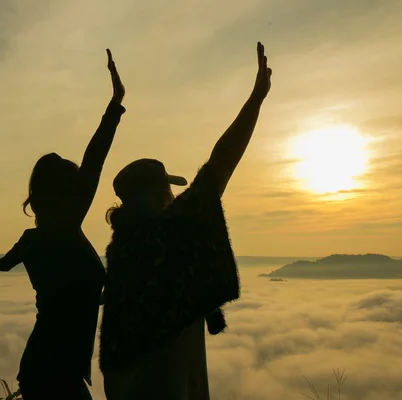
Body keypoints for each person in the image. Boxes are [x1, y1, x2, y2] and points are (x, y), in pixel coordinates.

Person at [99, 42, 272, 400]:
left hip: (123, 384)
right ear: (162, 194)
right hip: (165, 382)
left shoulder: (122, 248)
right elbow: (218, 168)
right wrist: (256, 99)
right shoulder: (168, 232)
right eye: (169, 191)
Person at [0, 49, 126, 400]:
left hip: (45, 368)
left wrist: (1, 262)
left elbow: (63, 291)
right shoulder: (62, 229)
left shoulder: (31, 241)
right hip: (57, 372)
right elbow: (96, 158)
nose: (84, 189)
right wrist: (115, 103)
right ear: (67, 193)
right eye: (76, 184)